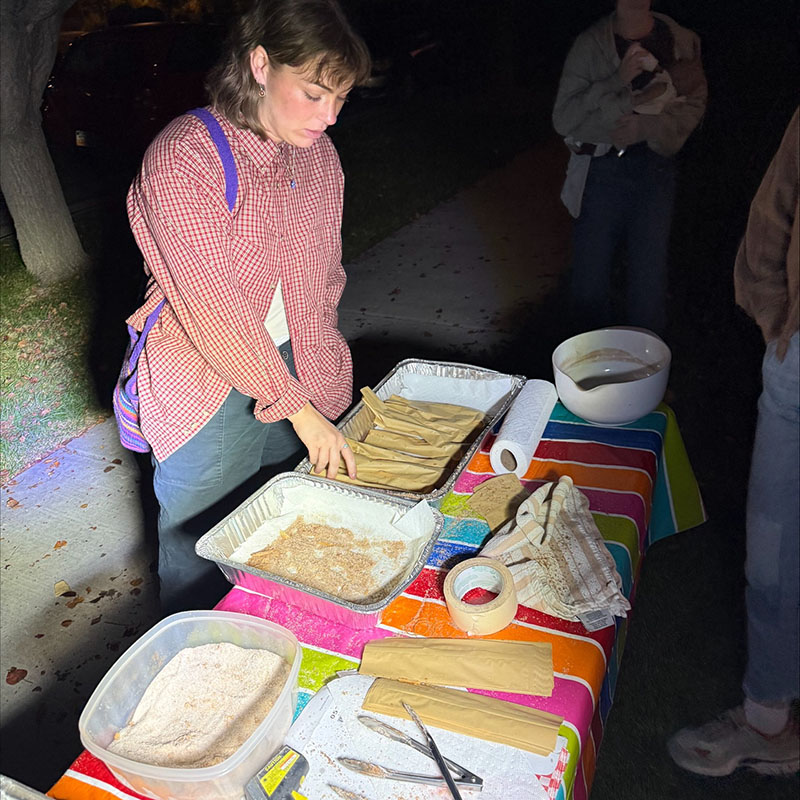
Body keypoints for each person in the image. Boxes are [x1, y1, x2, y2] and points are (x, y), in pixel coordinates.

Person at [122, 0, 370, 614]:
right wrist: (301, 412)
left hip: (294, 366)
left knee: (283, 525)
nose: (329, 117)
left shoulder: (317, 157)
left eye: (340, 99)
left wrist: (321, 375)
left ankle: (272, 640)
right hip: (205, 379)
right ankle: (189, 669)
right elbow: (215, 314)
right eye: (314, 94)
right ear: (260, 64)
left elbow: (324, 276)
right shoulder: (186, 158)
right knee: (205, 547)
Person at [668, 108, 799, 777]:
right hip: (797, 363)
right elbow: (775, 207)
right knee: (772, 554)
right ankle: (768, 720)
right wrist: (778, 316)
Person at [552, 0, 707, 335]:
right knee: (589, 282)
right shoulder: (591, 43)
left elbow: (694, 104)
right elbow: (565, 119)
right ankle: (589, 377)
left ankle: (646, 377)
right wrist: (617, 82)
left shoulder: (680, 39)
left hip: (655, 171)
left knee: (648, 282)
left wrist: (645, 129)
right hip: (600, 170)